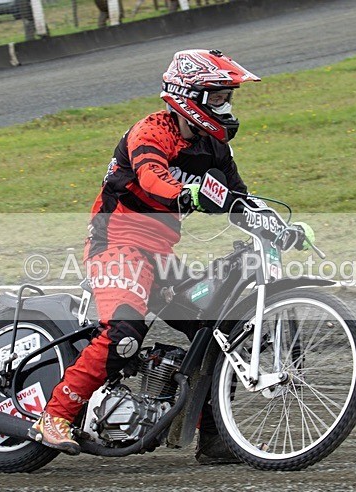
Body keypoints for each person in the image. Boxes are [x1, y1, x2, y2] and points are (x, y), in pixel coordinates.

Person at [29, 49, 261, 464]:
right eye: (220, 97)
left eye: (229, 97)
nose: (227, 106)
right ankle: (55, 416)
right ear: (190, 96)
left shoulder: (214, 148)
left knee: (214, 328)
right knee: (124, 333)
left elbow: (239, 199)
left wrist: (278, 225)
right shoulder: (150, 131)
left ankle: (213, 435)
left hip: (158, 257)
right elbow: (153, 178)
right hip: (115, 244)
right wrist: (186, 193)